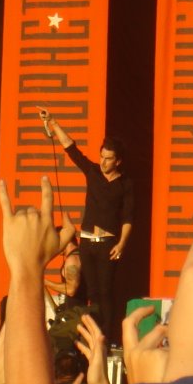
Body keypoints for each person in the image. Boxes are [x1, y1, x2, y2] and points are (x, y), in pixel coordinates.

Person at [39, 109, 133, 343]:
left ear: (117, 160)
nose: (103, 161)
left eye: (108, 158)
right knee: (90, 293)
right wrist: (54, 123)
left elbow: (128, 217)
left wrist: (121, 243)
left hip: (108, 244)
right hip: (88, 243)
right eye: (102, 156)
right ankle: (86, 338)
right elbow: (72, 149)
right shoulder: (93, 172)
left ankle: (106, 340)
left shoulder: (125, 184)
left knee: (105, 294)